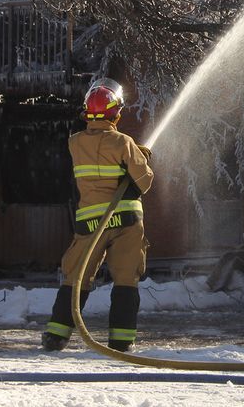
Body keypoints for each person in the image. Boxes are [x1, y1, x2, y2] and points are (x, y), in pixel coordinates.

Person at [41, 78, 154, 353]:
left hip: (90, 223)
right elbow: (144, 182)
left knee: (76, 275)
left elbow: (97, 158)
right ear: (116, 113)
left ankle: (56, 335)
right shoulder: (124, 142)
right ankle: (121, 341)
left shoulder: (75, 142)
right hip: (126, 221)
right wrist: (140, 158)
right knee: (126, 278)